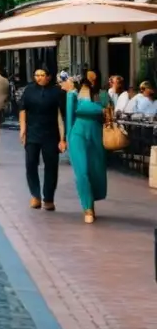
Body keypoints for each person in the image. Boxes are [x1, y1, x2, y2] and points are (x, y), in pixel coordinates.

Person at [19, 68, 66, 211]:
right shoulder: (29, 90)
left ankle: (49, 198)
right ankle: (35, 195)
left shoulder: (57, 92)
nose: (39, 78)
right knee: (31, 164)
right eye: (36, 75)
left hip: (51, 134)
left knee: (51, 166)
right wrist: (23, 129)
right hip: (32, 132)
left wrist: (62, 138)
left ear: (49, 77)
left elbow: (62, 116)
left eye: (42, 75)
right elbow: (22, 110)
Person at [64, 72, 108, 224]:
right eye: (89, 77)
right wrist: (67, 138)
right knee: (81, 171)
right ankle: (87, 207)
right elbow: (69, 117)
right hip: (78, 134)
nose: (92, 79)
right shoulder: (74, 94)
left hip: (96, 134)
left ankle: (91, 201)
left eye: (95, 77)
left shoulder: (102, 94)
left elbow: (107, 114)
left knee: (95, 170)